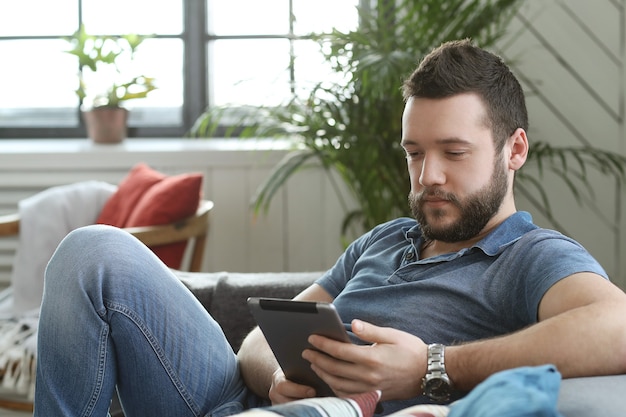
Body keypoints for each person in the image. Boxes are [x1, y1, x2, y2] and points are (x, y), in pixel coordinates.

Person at [34, 39, 626, 416]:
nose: (429, 176)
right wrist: (275, 379)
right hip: (241, 401)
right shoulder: (387, 239)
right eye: (415, 153)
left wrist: (430, 368)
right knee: (93, 251)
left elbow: (617, 327)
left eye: (454, 152)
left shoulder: (531, 255)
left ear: (513, 149)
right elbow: (261, 338)